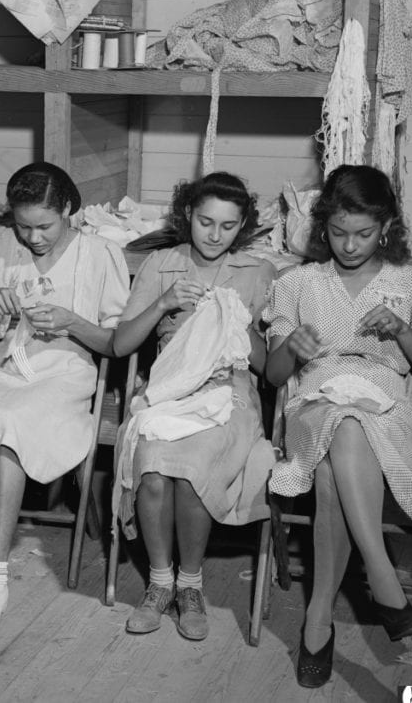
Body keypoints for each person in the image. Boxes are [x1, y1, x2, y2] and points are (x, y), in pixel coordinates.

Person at [263, 165, 412, 688]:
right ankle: (384, 577)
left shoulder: (411, 284)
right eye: (338, 232)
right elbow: (274, 375)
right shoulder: (298, 283)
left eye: (364, 233)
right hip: (312, 405)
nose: (349, 245)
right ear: (323, 226)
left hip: (385, 411)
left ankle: (317, 617)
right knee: (340, 422)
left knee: (337, 459)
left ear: (387, 226)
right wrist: (291, 349)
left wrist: (403, 331)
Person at [0, 161, 130, 635]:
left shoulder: (101, 254)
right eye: (24, 226)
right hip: (9, 365)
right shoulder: (1, 246)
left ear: (69, 210)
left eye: (45, 226)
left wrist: (72, 322)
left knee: (9, 424)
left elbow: (116, 344)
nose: (34, 237)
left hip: (67, 370)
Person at [111, 172, 277, 640]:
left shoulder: (258, 271)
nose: (214, 235)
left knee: (190, 467)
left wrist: (238, 323)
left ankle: (190, 584)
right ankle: (159, 583)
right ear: (189, 215)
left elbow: (266, 366)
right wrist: (164, 302)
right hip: (167, 388)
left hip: (229, 393)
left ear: (242, 226)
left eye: (228, 226)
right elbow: (122, 345)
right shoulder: (162, 263)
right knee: (153, 467)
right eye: (206, 221)